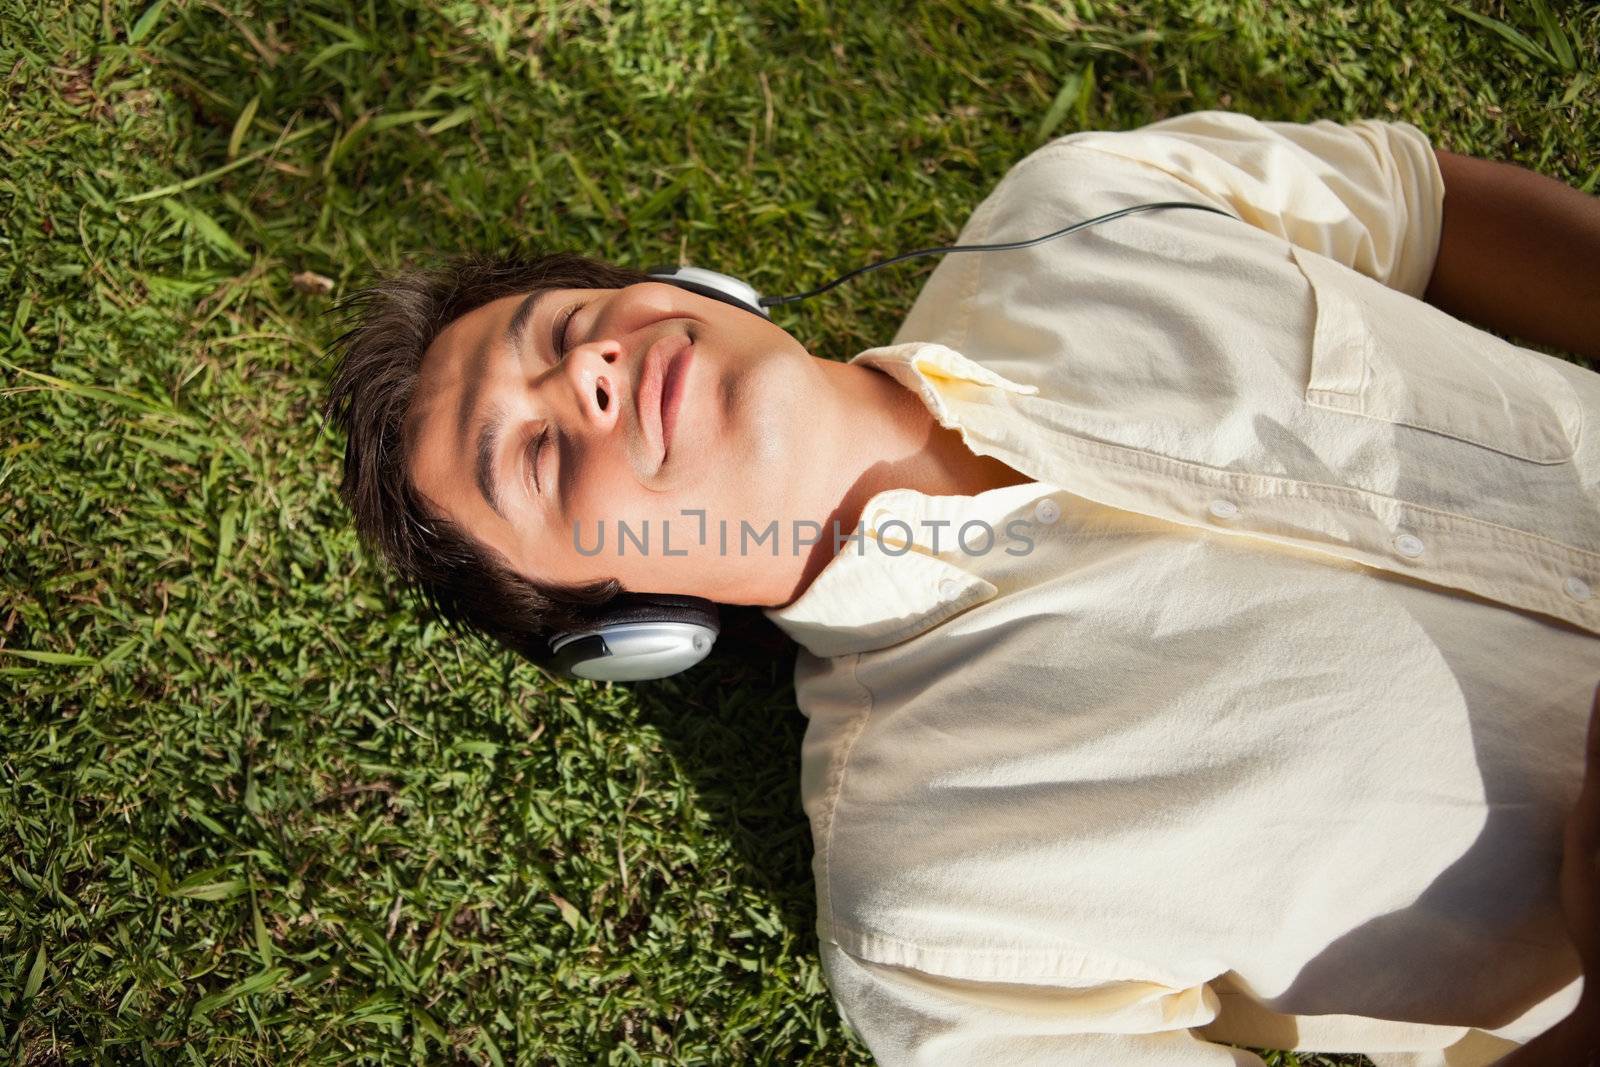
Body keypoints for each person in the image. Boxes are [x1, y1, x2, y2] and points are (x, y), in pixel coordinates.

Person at [322, 109, 1600, 1065]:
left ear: (693, 292)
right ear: (632, 626)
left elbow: (1418, 200)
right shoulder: (931, 922)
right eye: (538, 456)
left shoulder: (1089, 202)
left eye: (557, 328)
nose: (587, 373)